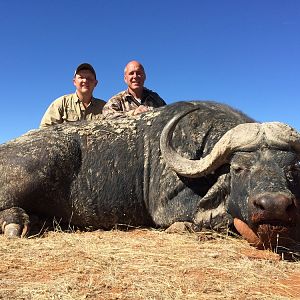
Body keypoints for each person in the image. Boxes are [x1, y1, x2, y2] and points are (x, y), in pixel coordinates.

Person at [40, 63, 105, 128]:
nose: (85, 80)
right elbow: (45, 129)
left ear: (95, 83)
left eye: (89, 78)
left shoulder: (105, 107)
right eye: (81, 77)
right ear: (74, 82)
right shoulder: (61, 103)